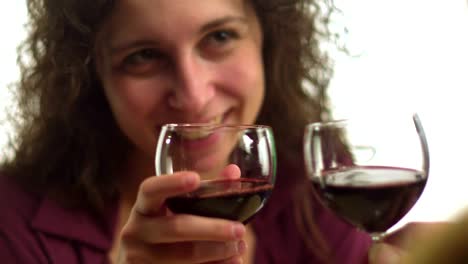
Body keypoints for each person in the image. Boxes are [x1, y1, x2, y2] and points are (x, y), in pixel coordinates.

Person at [0, 0, 436, 263]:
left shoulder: (307, 183)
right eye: (144, 56)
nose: (193, 95)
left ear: (269, 40)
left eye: (220, 36)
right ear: (90, 76)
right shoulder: (13, 223)